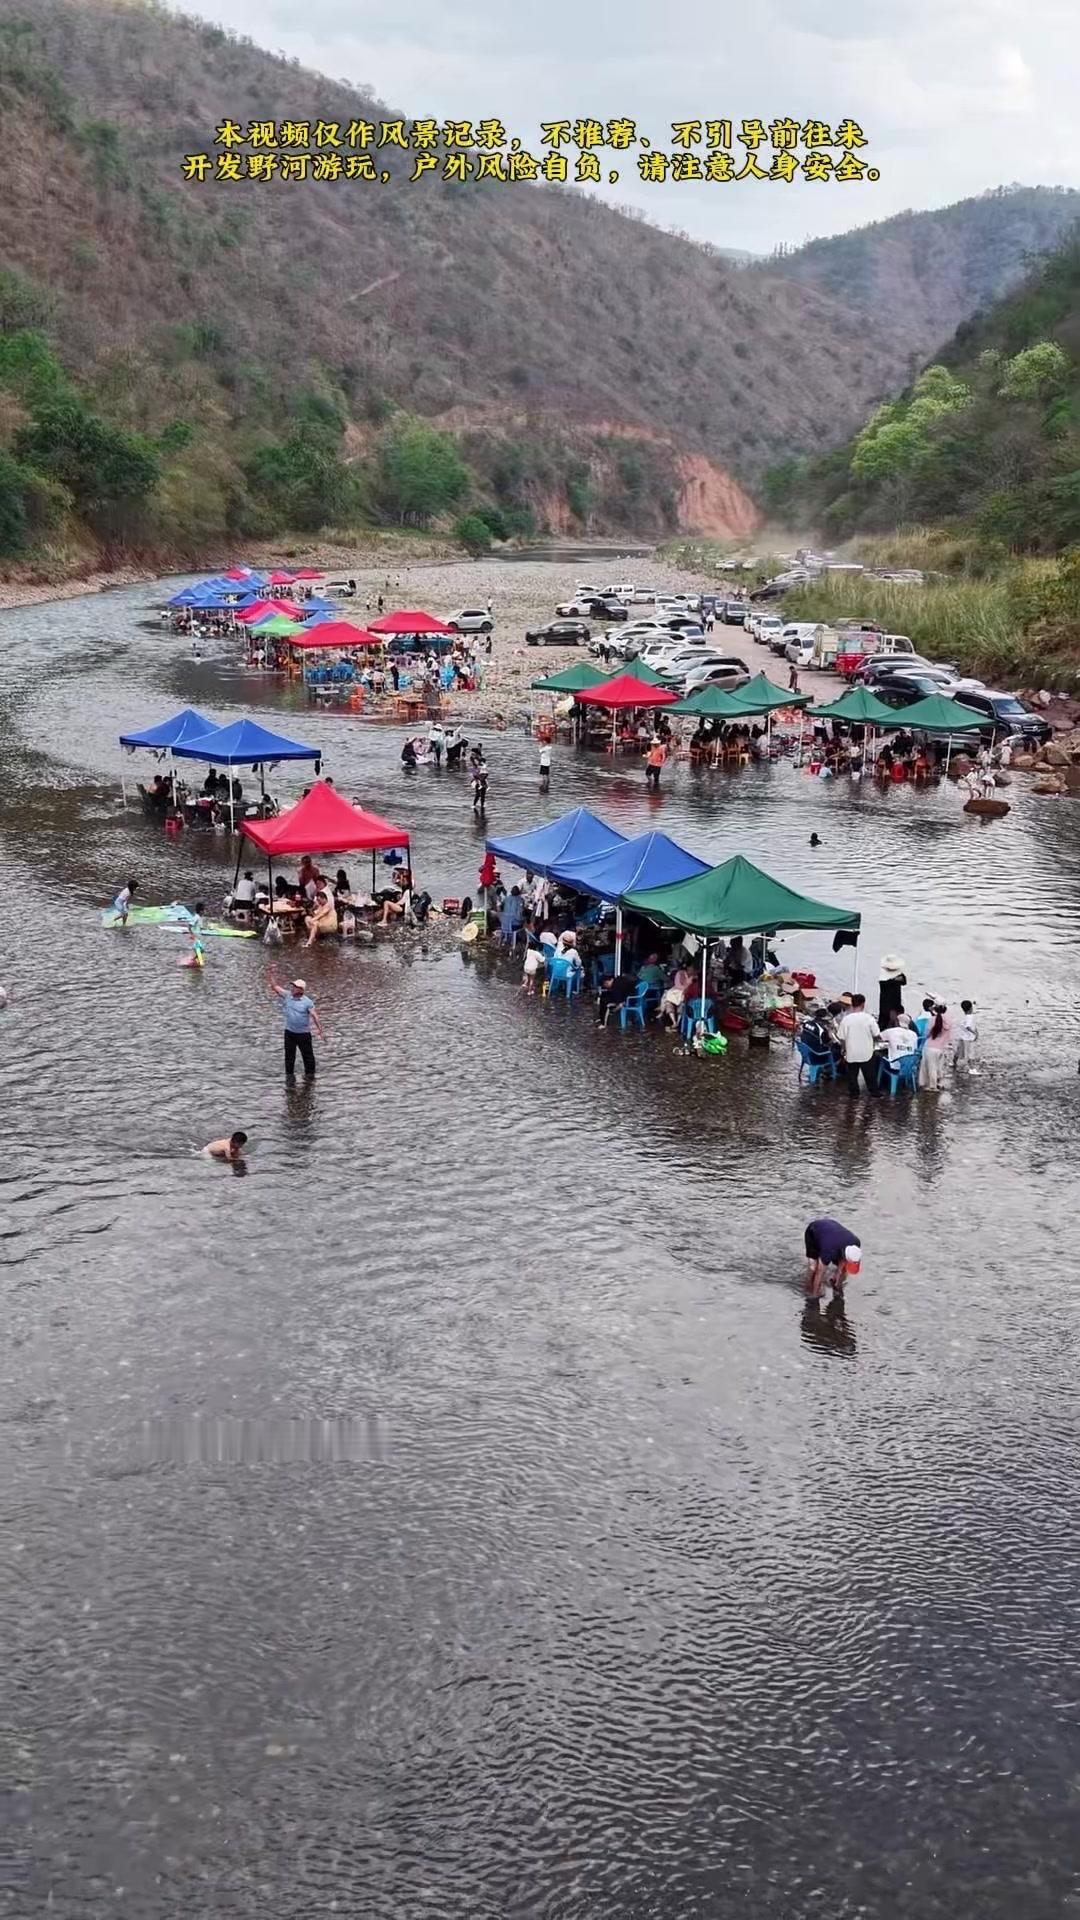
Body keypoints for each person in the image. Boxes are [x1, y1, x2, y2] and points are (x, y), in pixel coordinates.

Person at [269, 971, 323, 1077]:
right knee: (289, 1057)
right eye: (292, 986)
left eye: (295, 987)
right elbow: (275, 987)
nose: (292, 988)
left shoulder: (307, 1002)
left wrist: (320, 1030)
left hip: (303, 1035)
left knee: (308, 1058)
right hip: (289, 1033)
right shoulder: (287, 995)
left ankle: (310, 1078)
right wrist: (271, 975)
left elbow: (315, 1016)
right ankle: (289, 1079)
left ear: (301, 990)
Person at [804, 1217, 862, 1313]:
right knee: (814, 1268)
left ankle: (835, 1282)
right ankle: (808, 1286)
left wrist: (837, 1283)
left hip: (834, 1234)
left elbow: (843, 1264)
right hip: (814, 1231)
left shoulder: (856, 1243)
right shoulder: (829, 1251)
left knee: (841, 1271)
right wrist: (814, 1297)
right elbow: (820, 1273)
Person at [838, 992, 881, 1094]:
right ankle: (874, 1093)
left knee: (852, 1076)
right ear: (863, 1004)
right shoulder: (869, 1018)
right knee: (870, 1075)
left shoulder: (846, 1020)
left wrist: (844, 1049)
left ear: (852, 1004)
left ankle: (854, 1094)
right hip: (866, 1052)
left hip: (851, 1053)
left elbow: (841, 1038)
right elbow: (876, 1035)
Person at [918, 1003, 952, 1091]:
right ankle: (939, 1083)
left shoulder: (932, 1020)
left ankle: (932, 1086)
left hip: (931, 1047)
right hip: (942, 1047)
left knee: (931, 1067)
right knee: (939, 1067)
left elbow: (927, 1034)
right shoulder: (949, 1020)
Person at [304, 882, 338, 949]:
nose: (319, 902)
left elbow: (321, 915)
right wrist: (313, 909)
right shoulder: (320, 906)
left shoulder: (328, 905)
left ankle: (309, 942)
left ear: (324, 899)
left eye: (319, 900)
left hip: (330, 925)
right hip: (322, 923)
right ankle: (313, 936)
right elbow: (315, 914)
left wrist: (313, 920)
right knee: (307, 918)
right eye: (318, 901)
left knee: (315, 922)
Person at [878, 954, 907, 1028]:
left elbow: (904, 981)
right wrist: (894, 980)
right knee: (885, 1020)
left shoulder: (898, 974)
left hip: (895, 1002)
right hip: (886, 1003)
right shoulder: (883, 977)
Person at [954, 999, 980, 1075]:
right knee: (970, 1053)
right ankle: (972, 1069)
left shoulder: (965, 1017)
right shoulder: (970, 1017)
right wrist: (975, 1033)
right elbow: (968, 1027)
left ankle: (953, 1063)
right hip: (969, 1038)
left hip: (962, 1036)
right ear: (971, 1008)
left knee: (959, 1052)